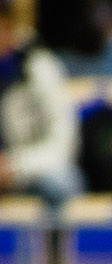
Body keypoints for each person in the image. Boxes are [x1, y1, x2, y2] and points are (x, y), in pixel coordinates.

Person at [0, 0, 83, 205]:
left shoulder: (40, 68)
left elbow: (64, 145)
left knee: (60, 182)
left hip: (28, 174)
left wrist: (13, 166)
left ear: (9, 27)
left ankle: (52, 237)